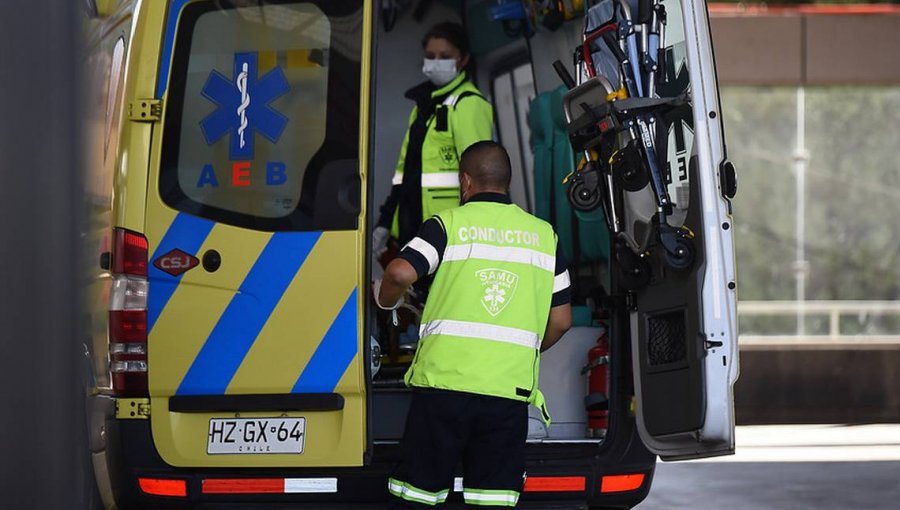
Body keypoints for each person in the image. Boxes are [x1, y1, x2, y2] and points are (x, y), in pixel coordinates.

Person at [375, 141, 573, 508]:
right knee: (492, 499)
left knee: (418, 495)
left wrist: (385, 302)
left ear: (465, 181)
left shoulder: (447, 225)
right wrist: (517, 349)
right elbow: (561, 320)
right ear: (508, 182)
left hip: (443, 387)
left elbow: (400, 272)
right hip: (506, 391)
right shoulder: (544, 236)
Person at [373, 21, 494, 259]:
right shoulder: (422, 108)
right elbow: (404, 173)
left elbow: (480, 176)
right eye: (430, 56)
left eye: (445, 56)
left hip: (450, 231)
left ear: (463, 60)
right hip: (415, 226)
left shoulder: (468, 104)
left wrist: (475, 233)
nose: (436, 62)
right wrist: (386, 221)